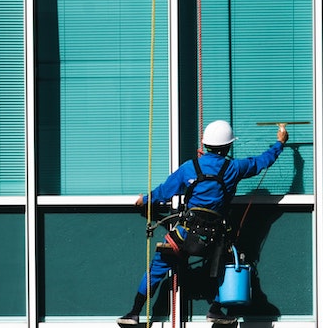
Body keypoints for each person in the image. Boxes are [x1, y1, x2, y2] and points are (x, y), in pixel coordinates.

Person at [118, 120, 288, 326]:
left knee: (156, 270)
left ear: (205, 145)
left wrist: (144, 200)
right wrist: (280, 143)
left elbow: (164, 191)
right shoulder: (234, 168)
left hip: (184, 234)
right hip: (214, 239)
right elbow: (262, 161)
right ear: (228, 146)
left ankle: (134, 313)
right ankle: (216, 310)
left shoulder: (189, 168)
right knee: (228, 265)